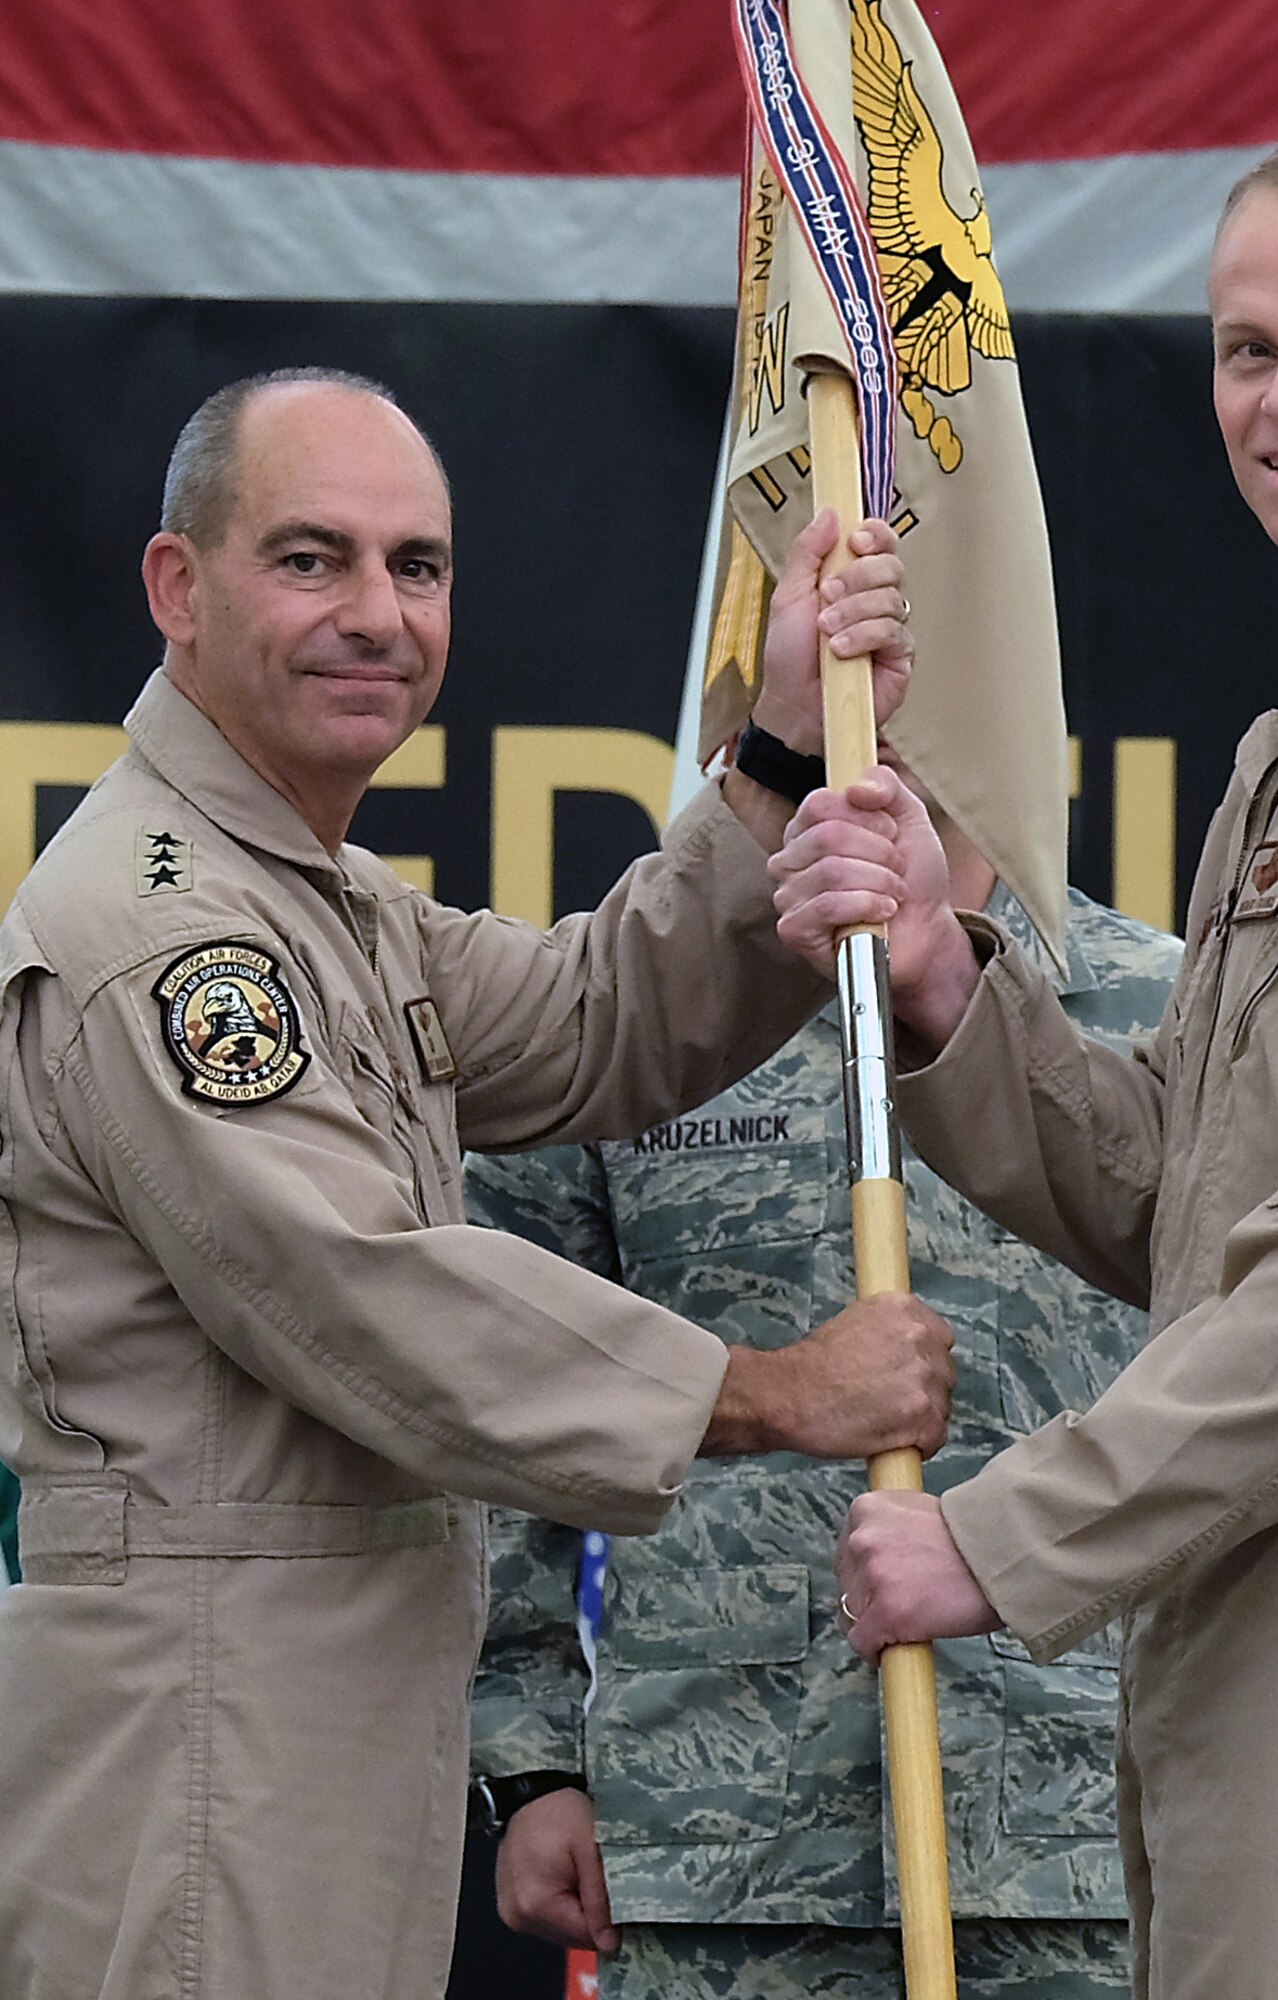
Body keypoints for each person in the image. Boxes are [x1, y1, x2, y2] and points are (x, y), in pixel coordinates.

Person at [0, 367, 954, 2000]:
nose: (376, 613)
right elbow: (376, 1300)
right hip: (207, 1730)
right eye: (311, 559)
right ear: (179, 587)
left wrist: (786, 746)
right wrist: (777, 1390)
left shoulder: (323, 898)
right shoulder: (171, 933)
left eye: (416, 566)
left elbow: (603, 1023)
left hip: (306, 1720)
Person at [775, 123, 1278, 2000]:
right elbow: (1193, 1197)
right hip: (1272, 1662)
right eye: (1249, 351)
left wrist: (1006, 1536)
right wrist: (940, 981)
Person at [464, 785, 1182, 2000]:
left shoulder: (1150, 1004)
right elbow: (502, 1384)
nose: (883, 690)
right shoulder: (645, 1021)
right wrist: (530, 1761)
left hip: (1073, 1844)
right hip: (721, 1840)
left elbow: (1248, 1383)